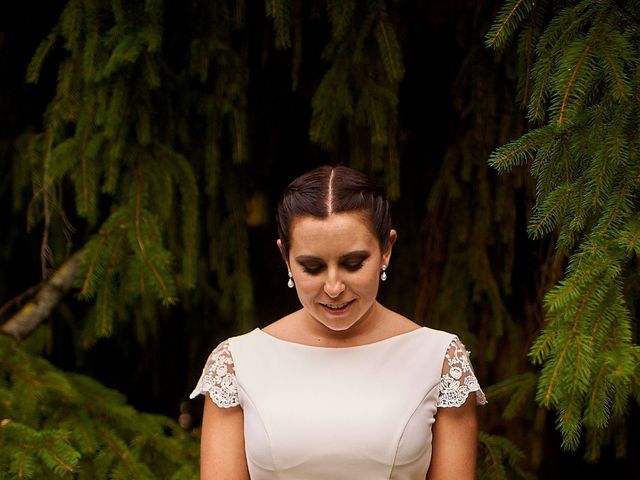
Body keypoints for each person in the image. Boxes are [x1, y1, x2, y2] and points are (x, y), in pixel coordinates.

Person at [190, 165, 486, 479]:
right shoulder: (236, 362)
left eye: (353, 263)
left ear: (386, 249)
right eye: (313, 267)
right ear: (285, 258)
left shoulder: (440, 358)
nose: (334, 287)